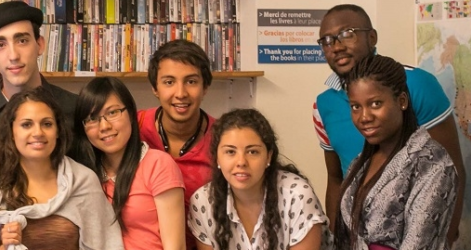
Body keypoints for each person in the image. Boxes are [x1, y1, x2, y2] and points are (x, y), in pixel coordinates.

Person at [311, 4, 463, 241]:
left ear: (372, 37)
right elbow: (335, 178)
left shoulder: (417, 85)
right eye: (327, 41)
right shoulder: (322, 105)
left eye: (346, 34)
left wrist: (446, 238)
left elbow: (451, 168)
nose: (337, 46)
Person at [0, 88, 123, 250]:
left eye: (47, 124)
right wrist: (3, 246)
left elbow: (107, 245)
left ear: (57, 131)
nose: (38, 132)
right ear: (11, 132)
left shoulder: (83, 181)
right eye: (26, 125)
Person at [335, 55, 457, 250]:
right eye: (356, 107)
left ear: (401, 101)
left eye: (375, 104)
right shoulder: (359, 164)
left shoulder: (433, 164)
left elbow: (419, 244)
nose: (364, 117)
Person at [0, 1, 91, 166]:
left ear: (40, 45)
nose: (13, 55)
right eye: (1, 45)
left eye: (22, 41)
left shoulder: (75, 108)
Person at [188, 109, 330, 250]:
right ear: (217, 157)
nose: (241, 162)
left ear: (268, 156)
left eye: (252, 152)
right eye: (230, 152)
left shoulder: (297, 195)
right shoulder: (203, 201)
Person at [75, 77, 186, 250]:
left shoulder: (158, 164)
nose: (104, 126)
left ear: (131, 114)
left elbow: (176, 247)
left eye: (112, 113)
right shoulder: (85, 174)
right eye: (92, 118)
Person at [136, 39, 216, 249]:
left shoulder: (225, 139)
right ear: (155, 88)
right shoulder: (134, 129)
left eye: (191, 81)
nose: (180, 93)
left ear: (205, 87)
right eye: (169, 82)